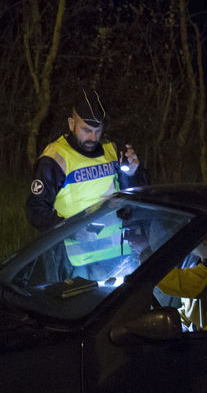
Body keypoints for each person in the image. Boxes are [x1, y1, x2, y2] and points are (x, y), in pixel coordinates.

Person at [26, 90, 147, 272]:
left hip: (117, 259)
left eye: (98, 131)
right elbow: (35, 211)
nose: (93, 137)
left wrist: (132, 174)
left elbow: (132, 197)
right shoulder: (55, 158)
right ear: (71, 124)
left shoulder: (112, 150)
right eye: (86, 130)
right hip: (74, 263)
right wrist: (71, 230)